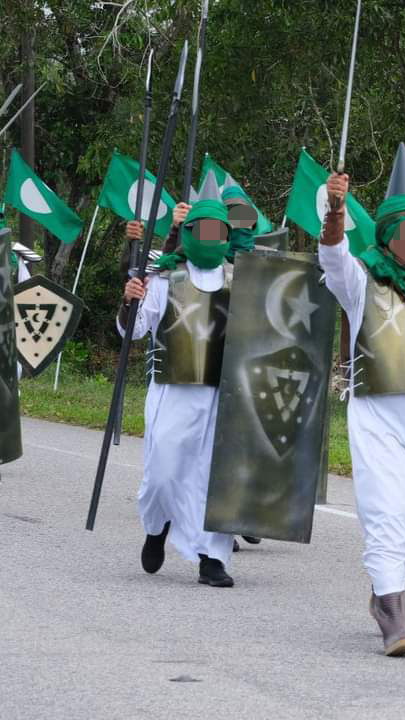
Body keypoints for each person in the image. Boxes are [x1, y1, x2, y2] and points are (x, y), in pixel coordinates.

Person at [319, 143, 405, 656]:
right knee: (386, 508)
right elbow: (332, 256)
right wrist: (335, 212)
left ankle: (386, 588)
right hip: (377, 410)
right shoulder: (362, 281)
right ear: (387, 235)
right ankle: (393, 614)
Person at [120, 199, 237, 588]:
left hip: (222, 394)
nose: (209, 237)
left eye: (216, 231)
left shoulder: (242, 280)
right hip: (172, 390)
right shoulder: (165, 279)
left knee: (213, 477)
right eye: (202, 230)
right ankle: (157, 527)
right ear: (189, 234)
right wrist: (130, 299)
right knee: (163, 476)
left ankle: (211, 557)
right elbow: (132, 331)